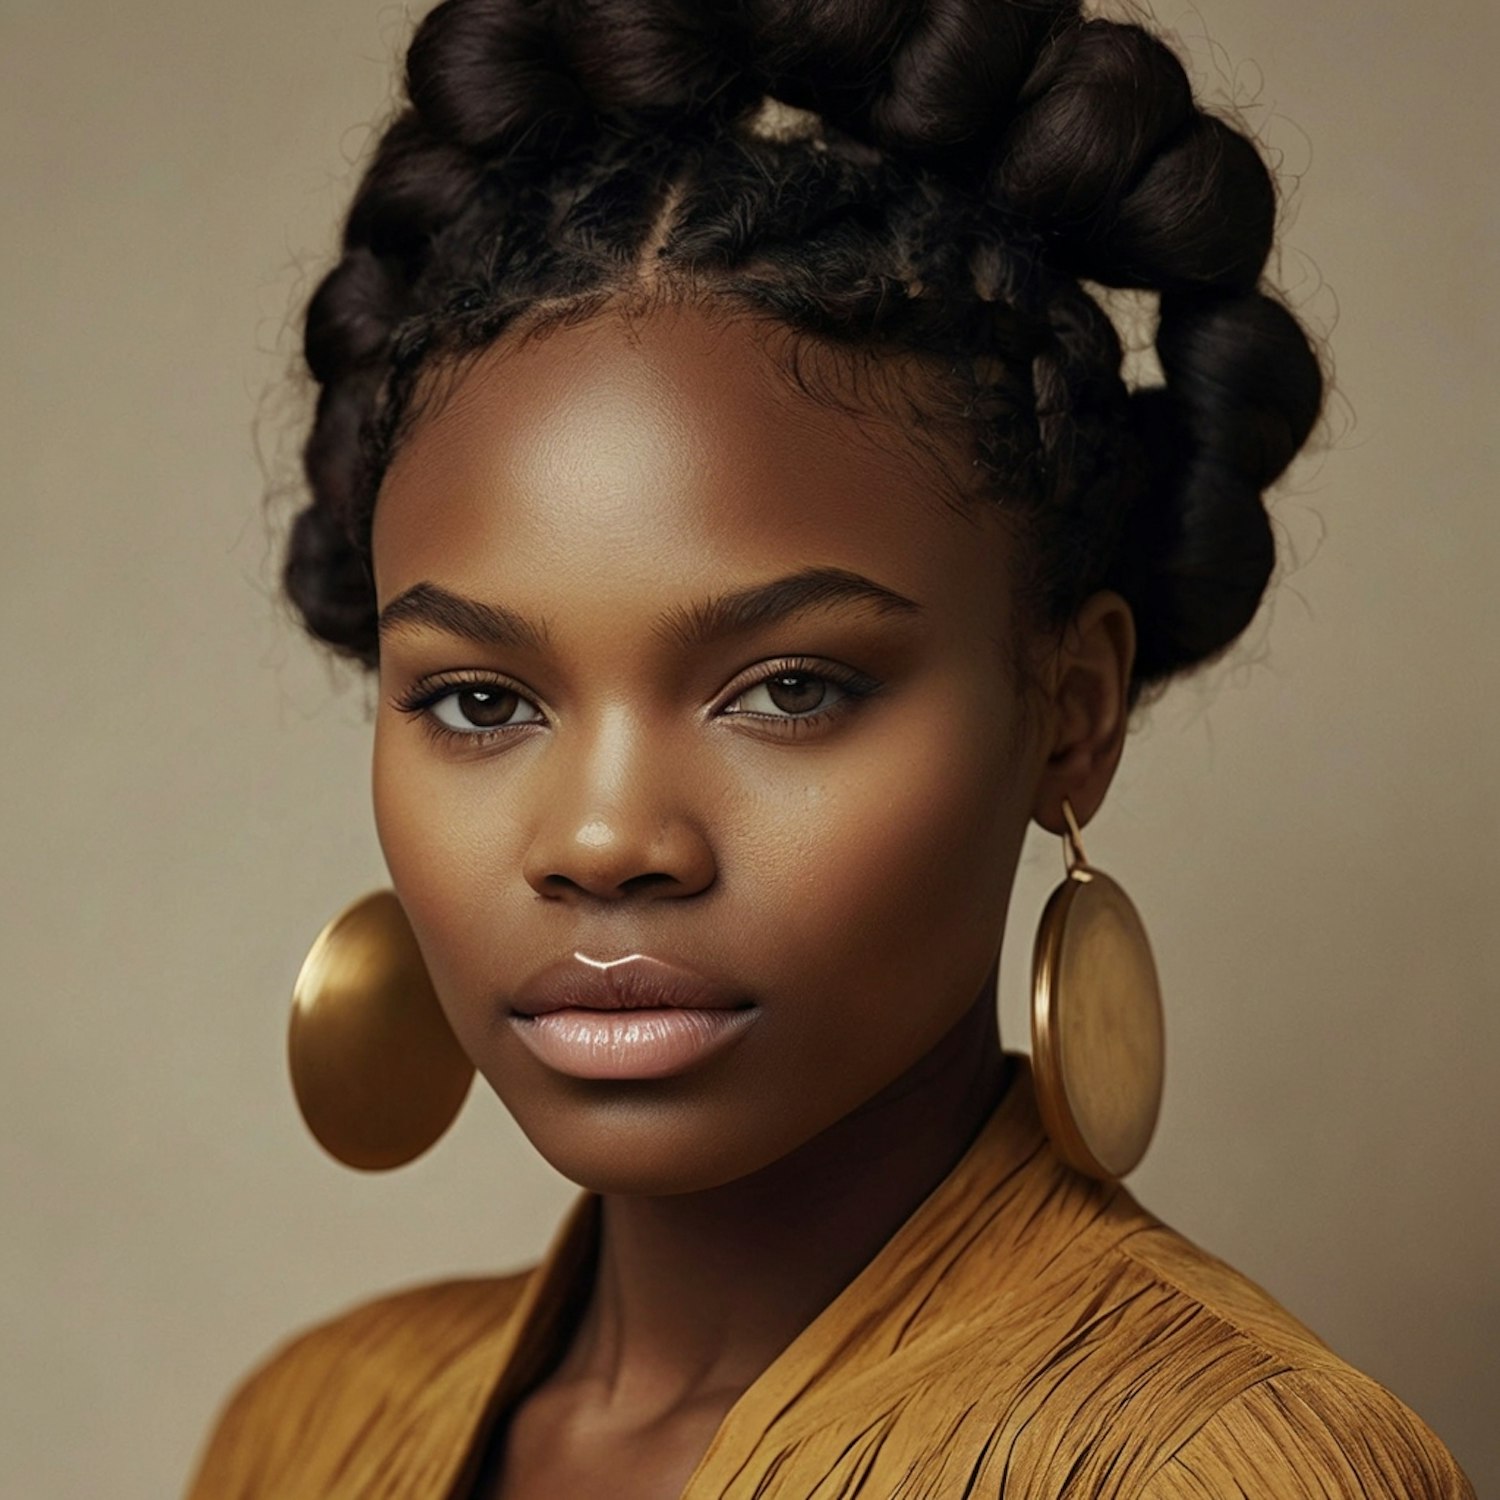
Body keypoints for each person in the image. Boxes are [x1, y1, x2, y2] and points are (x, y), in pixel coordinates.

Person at [185, 0, 1477, 1495]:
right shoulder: (304, 1433)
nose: (603, 840)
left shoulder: (1225, 1468)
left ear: (1071, 710)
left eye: (788, 688)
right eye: (482, 702)